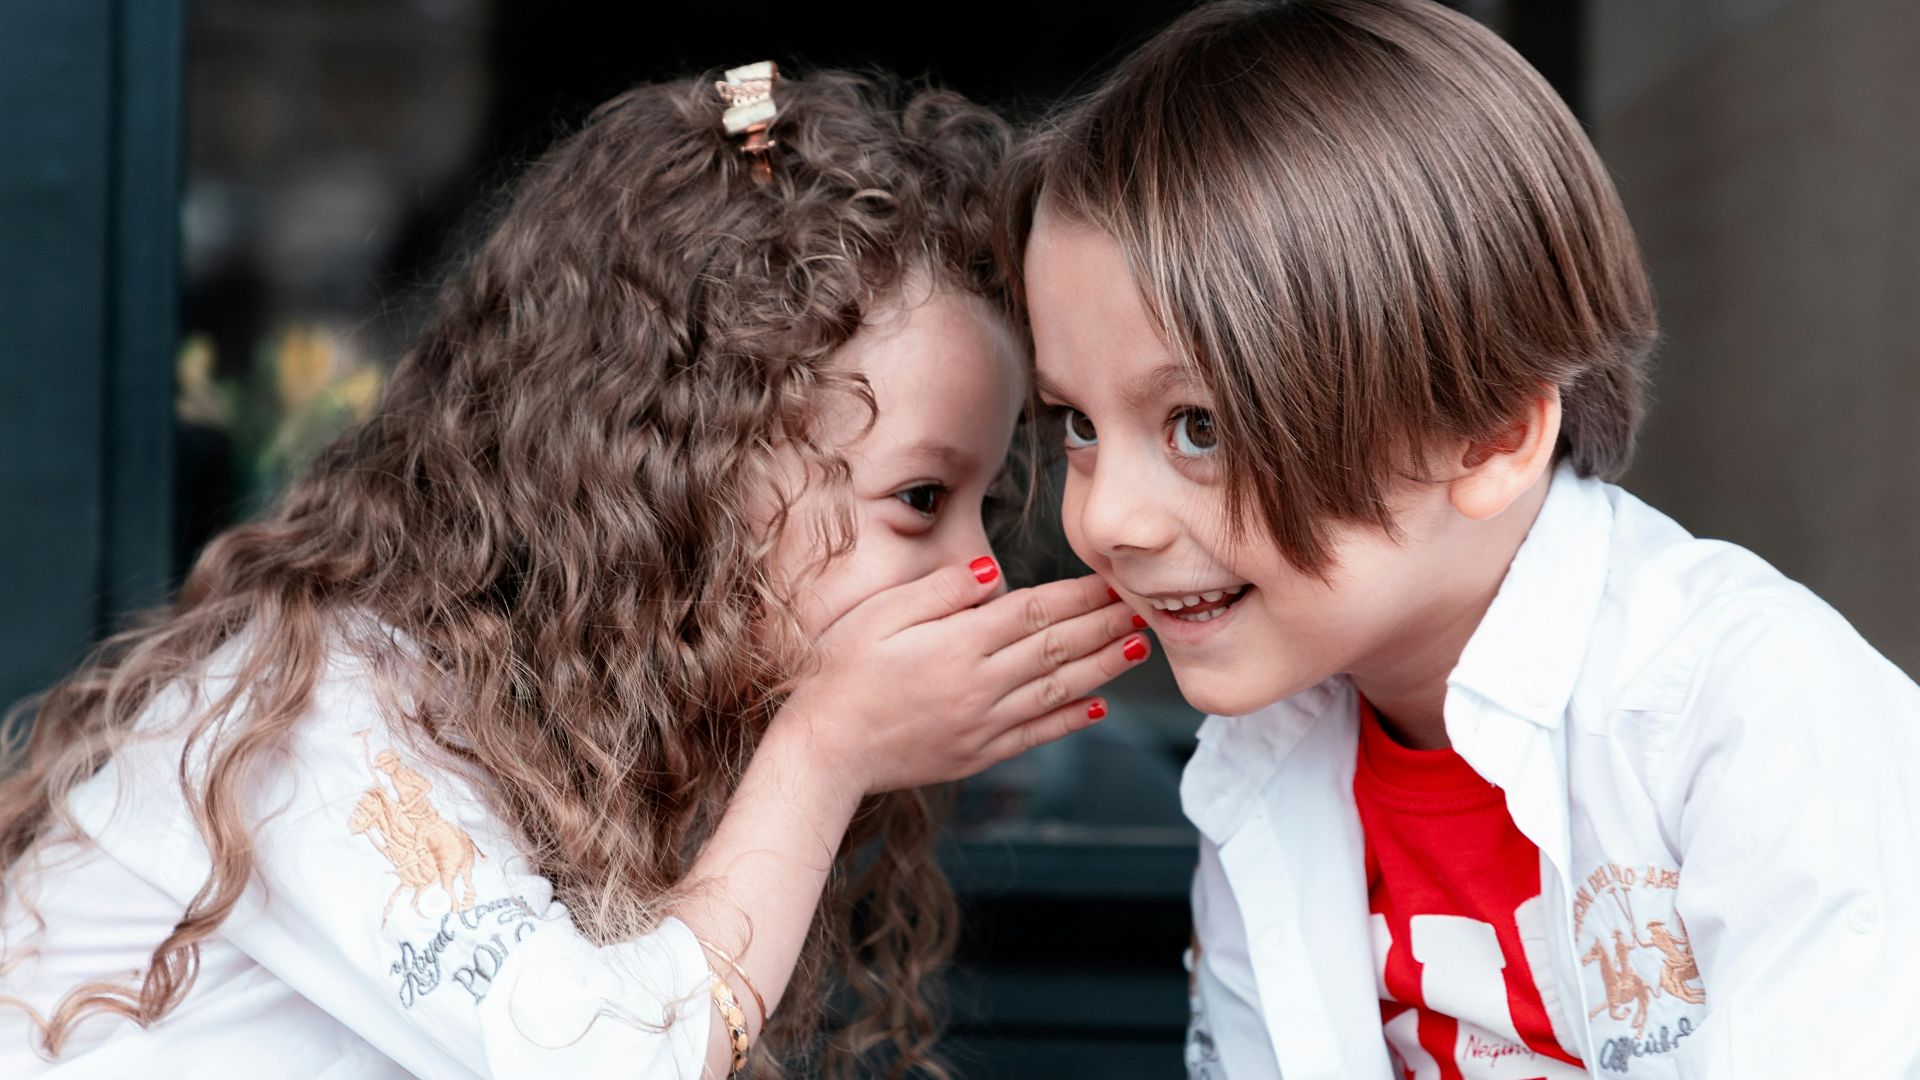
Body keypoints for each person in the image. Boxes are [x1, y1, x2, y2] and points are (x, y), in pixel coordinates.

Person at [0, 64, 1151, 1078]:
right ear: (688, 468)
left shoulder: (598, 726)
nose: (983, 569)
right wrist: (826, 749)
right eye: (919, 500)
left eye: (987, 507)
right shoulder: (317, 709)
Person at [996, 2, 1920, 1076]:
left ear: (1489, 437)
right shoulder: (1264, 760)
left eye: (1200, 427)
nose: (1105, 520)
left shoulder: (1757, 719)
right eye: (1079, 424)